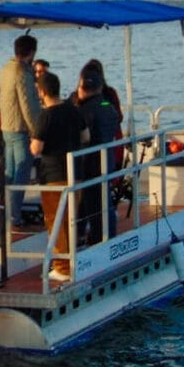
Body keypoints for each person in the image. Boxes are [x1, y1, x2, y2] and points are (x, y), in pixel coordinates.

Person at [32, 71, 89, 281]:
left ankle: (62, 268)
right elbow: (86, 136)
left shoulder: (45, 116)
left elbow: (36, 148)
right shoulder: (73, 110)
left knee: (55, 222)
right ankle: (71, 261)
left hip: (53, 175)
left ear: (42, 91)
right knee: (71, 220)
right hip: (75, 173)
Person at [0, 34, 40, 229]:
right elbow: (28, 104)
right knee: (21, 172)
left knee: (10, 172)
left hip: (7, 126)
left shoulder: (5, 69)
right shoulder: (22, 73)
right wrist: (36, 131)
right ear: (31, 52)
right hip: (20, 128)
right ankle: (14, 216)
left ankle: (4, 212)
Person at [75, 69, 121, 246]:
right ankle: (105, 235)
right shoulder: (106, 106)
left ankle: (97, 239)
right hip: (106, 161)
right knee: (102, 202)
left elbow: (83, 136)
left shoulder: (86, 110)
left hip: (90, 163)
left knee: (93, 204)